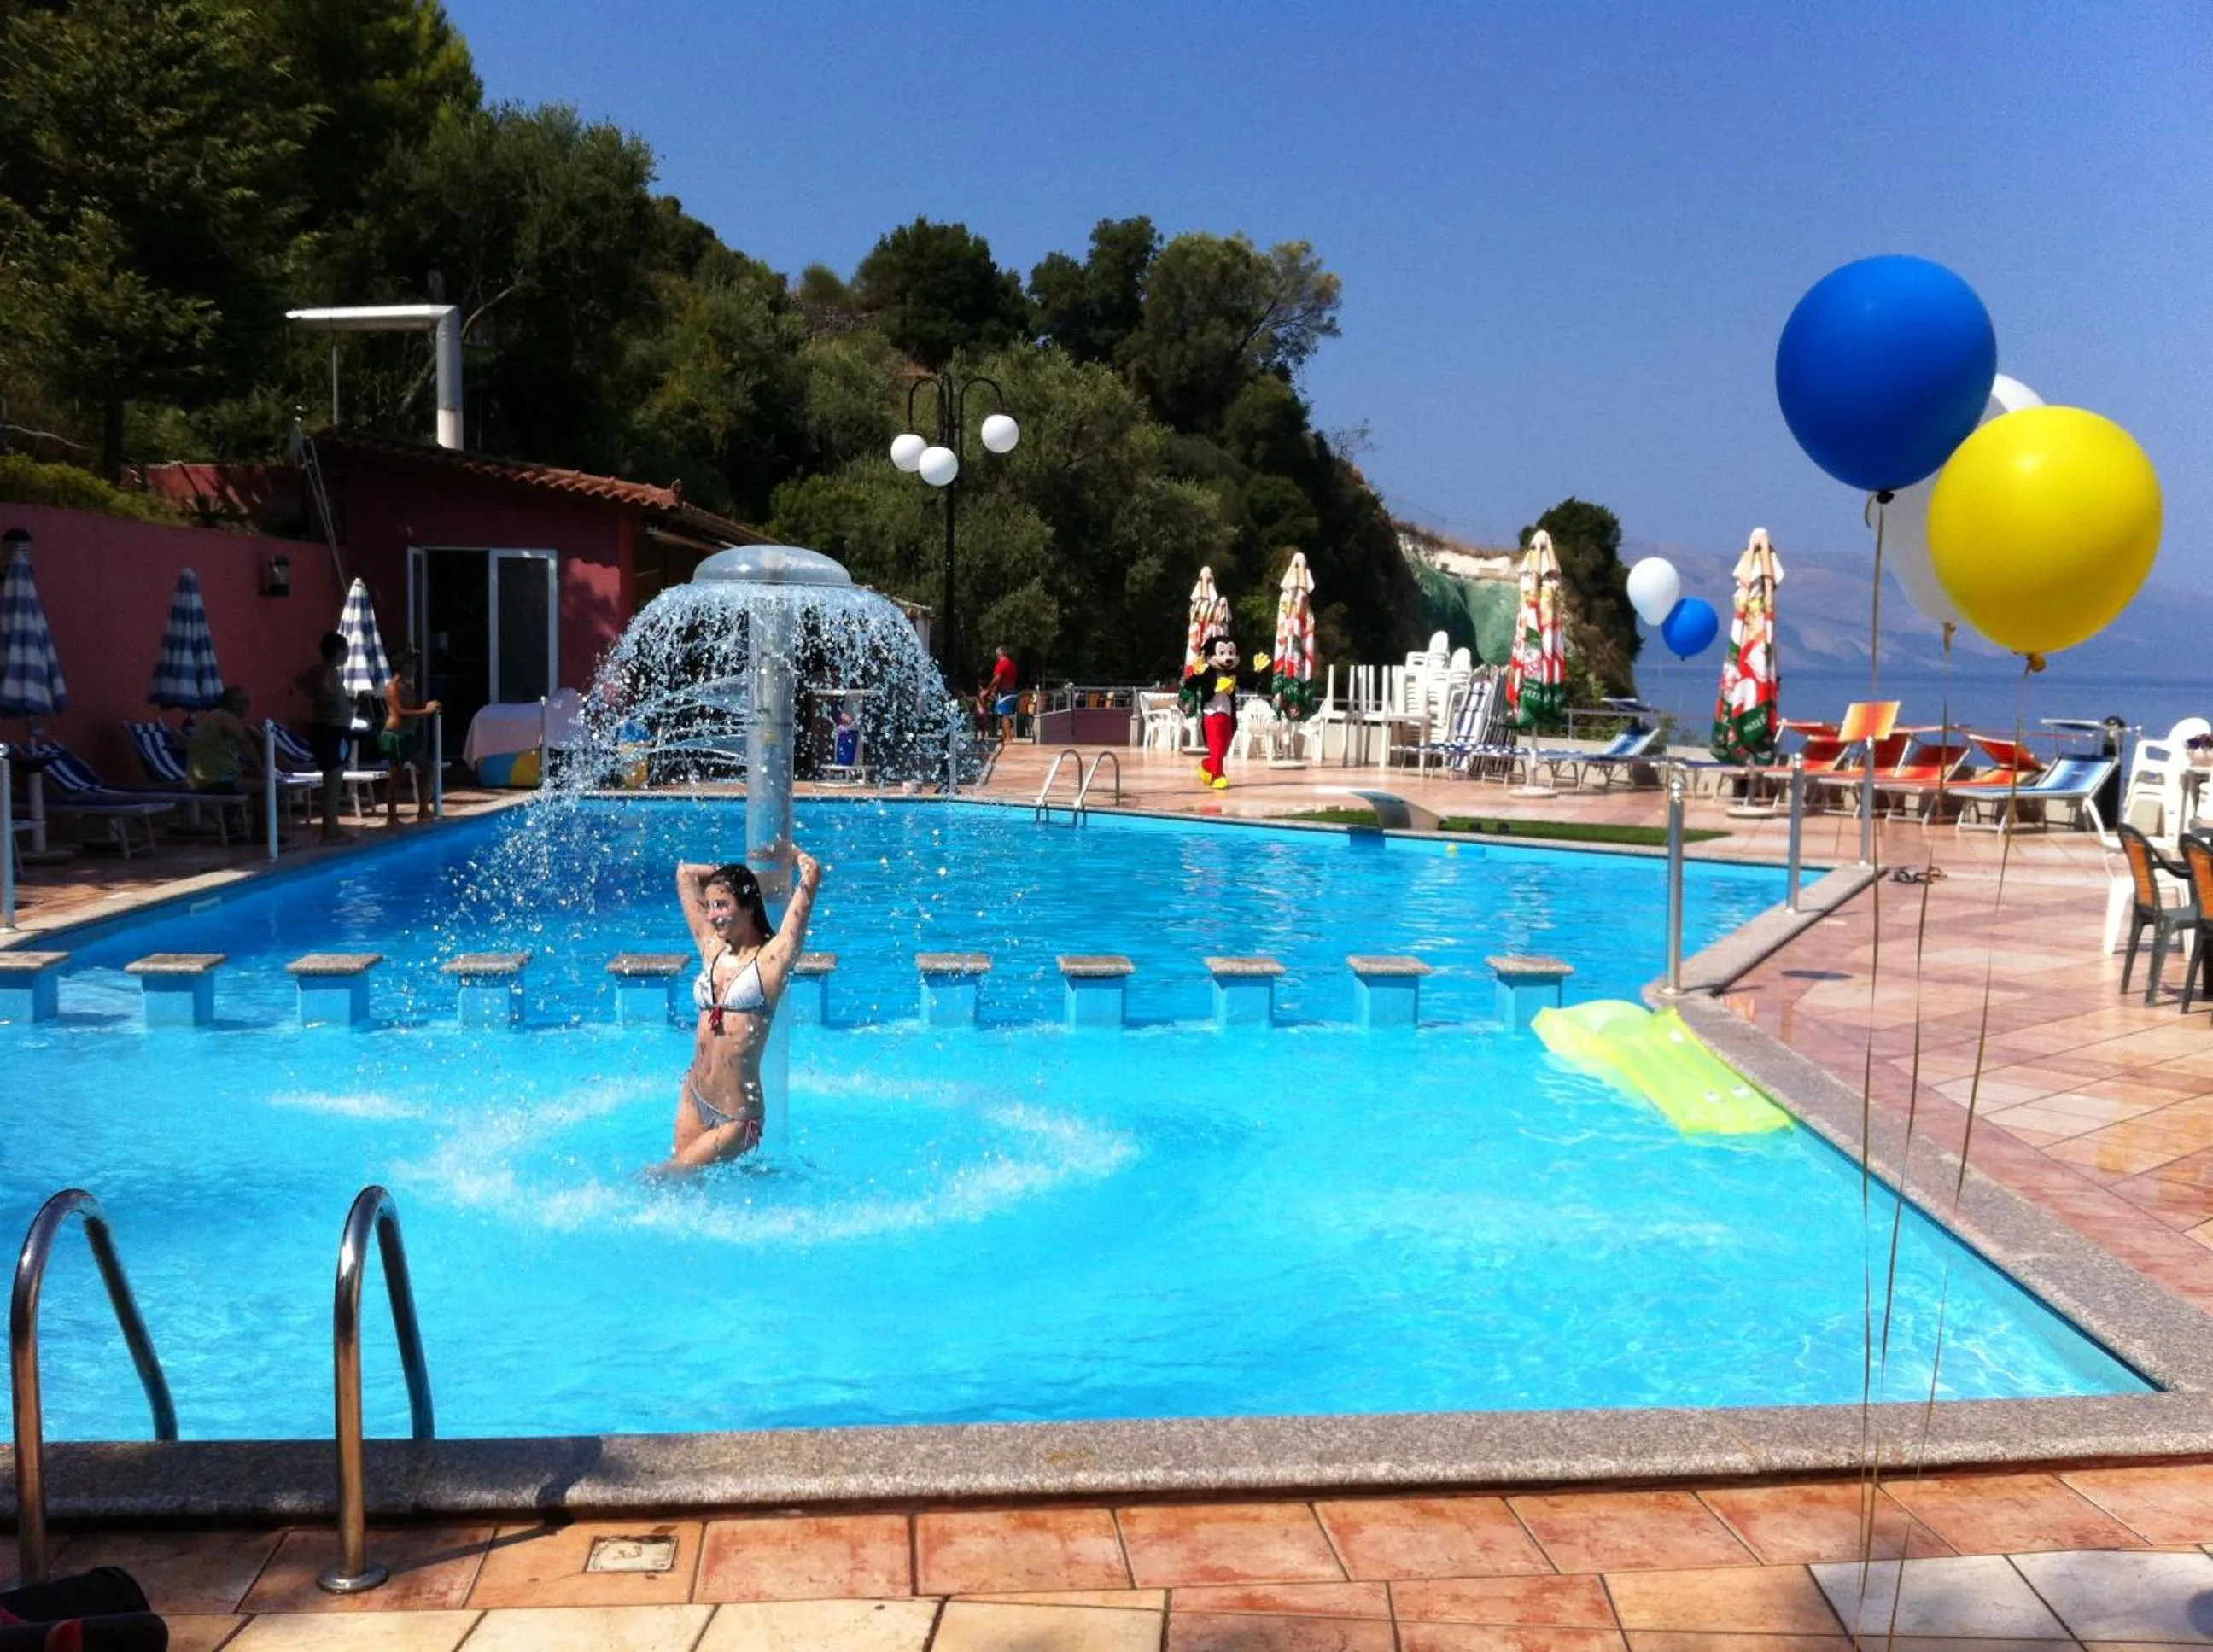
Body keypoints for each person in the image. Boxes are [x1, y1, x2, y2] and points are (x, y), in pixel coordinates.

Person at [664, 846, 823, 1170]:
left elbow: (812, 874)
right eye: (709, 906)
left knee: (669, 1176)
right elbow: (685, 874)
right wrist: (728, 873)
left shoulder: (771, 960)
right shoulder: (712, 949)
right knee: (687, 1186)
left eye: (722, 905)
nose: (712, 915)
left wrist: (791, 854)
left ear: (748, 906)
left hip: (737, 1118)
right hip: (694, 1094)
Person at [1181, 628, 1270, 789]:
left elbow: (1248, 683)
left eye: (1231, 652)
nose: (1228, 657)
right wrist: (1196, 674)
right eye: (1222, 652)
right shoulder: (1206, 671)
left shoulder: (1232, 673)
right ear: (1209, 656)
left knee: (1224, 746)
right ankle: (1218, 776)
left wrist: (1257, 672)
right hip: (1211, 713)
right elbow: (1190, 685)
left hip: (1228, 714)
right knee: (1216, 746)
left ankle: (1207, 766)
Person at [294, 631, 354, 844]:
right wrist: (326, 701)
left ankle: (333, 827)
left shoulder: (326, 671)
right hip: (333, 732)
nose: (348, 654)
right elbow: (302, 684)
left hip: (332, 730)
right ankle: (329, 830)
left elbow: (299, 683)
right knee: (333, 779)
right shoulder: (325, 672)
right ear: (338, 651)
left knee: (334, 779)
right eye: (346, 650)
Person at [379, 652, 442, 826]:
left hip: (408, 736)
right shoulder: (393, 687)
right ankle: (391, 817)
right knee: (396, 776)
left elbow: (412, 709)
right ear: (403, 667)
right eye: (412, 665)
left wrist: (429, 707)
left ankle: (423, 810)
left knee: (427, 769)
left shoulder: (408, 687)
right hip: (395, 736)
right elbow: (401, 712)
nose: (415, 669)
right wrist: (426, 712)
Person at [184, 685, 267, 800]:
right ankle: (267, 818)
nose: (249, 705)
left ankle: (232, 817)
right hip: (214, 781)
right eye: (245, 702)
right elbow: (246, 744)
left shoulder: (210, 717)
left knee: (254, 782)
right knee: (270, 786)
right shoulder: (226, 718)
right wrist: (261, 770)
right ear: (234, 704)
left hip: (198, 780)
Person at [981, 645, 1019, 746]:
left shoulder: (1002, 664)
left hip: (1005, 693)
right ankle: (1004, 737)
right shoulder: (1012, 665)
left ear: (998, 654)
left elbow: (997, 679)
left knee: (1004, 716)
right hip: (1012, 692)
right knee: (1003, 715)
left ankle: (1008, 738)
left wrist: (988, 690)